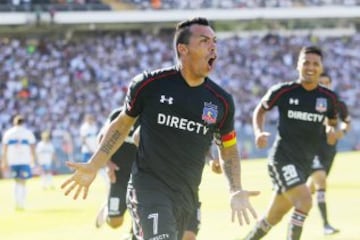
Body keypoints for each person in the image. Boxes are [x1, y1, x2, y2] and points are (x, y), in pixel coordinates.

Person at [61, 17, 259, 240]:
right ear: (182, 49)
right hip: (148, 189)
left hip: (187, 196)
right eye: (204, 41)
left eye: (214, 41)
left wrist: (235, 188)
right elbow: (123, 125)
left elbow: (229, 148)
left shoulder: (221, 101)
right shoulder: (149, 85)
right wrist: (95, 164)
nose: (213, 46)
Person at [244, 46, 339, 240]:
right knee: (304, 200)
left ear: (321, 68)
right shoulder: (284, 91)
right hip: (282, 159)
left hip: (304, 164)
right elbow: (260, 110)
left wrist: (330, 129)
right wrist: (258, 131)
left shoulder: (328, 99)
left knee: (273, 216)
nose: (310, 67)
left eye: (315, 64)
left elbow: (332, 120)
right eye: (306, 63)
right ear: (298, 65)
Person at [307, 72, 351, 235]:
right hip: (312, 148)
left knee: (311, 189)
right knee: (321, 182)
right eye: (321, 82)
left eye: (327, 82)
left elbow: (347, 122)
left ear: (331, 84)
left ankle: (292, 206)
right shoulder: (310, 101)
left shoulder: (338, 103)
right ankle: (325, 224)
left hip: (330, 150)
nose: (324, 85)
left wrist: (343, 131)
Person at [94, 107, 139, 240]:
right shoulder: (118, 114)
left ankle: (131, 235)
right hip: (118, 175)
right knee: (115, 223)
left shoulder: (150, 116)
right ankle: (108, 205)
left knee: (141, 212)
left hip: (141, 175)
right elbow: (102, 138)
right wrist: (107, 164)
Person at [1, 115, 37, 210]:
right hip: (24, 161)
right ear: (23, 123)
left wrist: (4, 161)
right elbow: (32, 147)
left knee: (16, 181)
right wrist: (33, 159)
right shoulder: (28, 133)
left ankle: (17, 203)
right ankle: (22, 203)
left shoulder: (8, 133)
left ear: (14, 122)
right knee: (23, 182)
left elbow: (4, 149)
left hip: (13, 161)